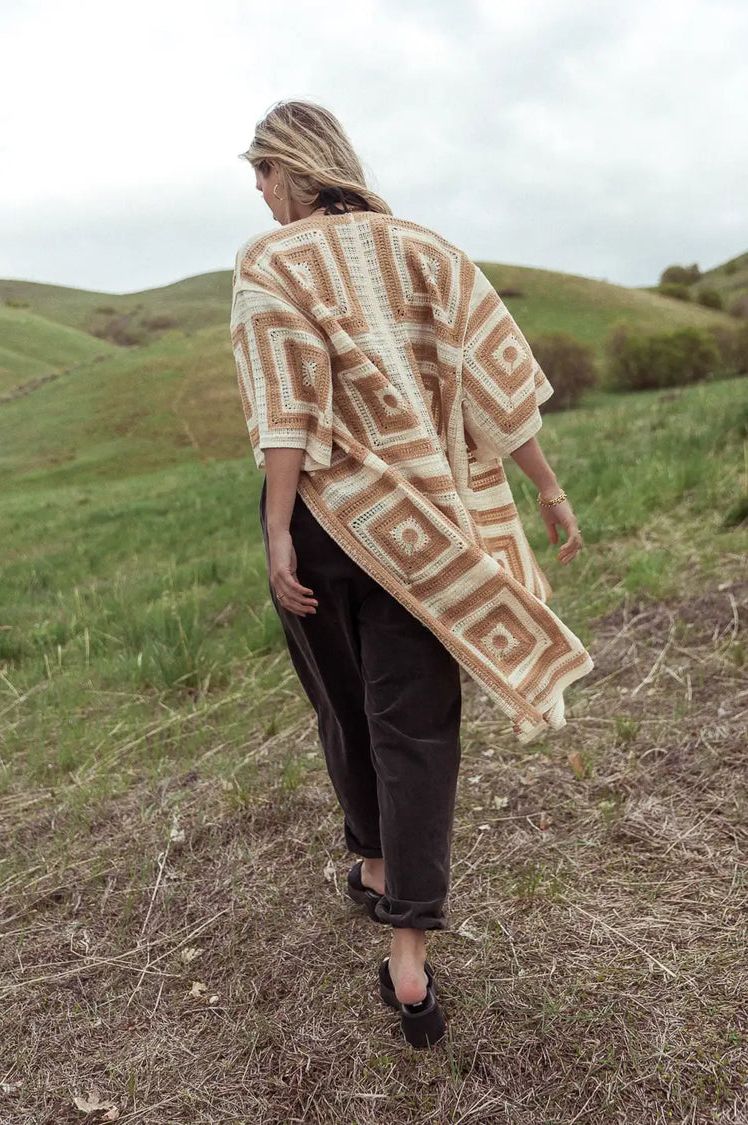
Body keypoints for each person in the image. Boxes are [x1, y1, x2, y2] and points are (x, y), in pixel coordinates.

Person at [230, 99, 593, 1048]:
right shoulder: (426, 248)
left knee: (346, 709)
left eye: (262, 174)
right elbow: (494, 374)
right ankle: (409, 966)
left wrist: (276, 530)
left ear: (294, 168)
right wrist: (546, 487)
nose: (262, 196)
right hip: (423, 534)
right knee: (417, 730)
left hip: (322, 524)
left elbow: (287, 407)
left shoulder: (271, 264)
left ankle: (380, 865)